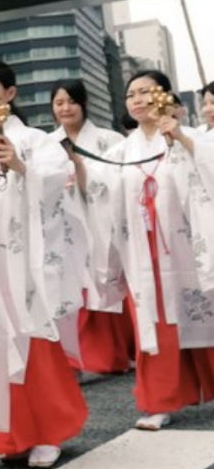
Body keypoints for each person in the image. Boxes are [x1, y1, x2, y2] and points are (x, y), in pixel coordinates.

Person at [0, 62, 87, 469]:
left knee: (33, 339)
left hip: (22, 260)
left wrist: (20, 167)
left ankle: (49, 431)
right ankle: (11, 435)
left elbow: (56, 186)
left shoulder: (36, 140)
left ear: (10, 93)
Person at [84, 70, 214, 430]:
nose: (137, 99)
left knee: (200, 314)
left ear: (165, 96)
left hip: (186, 246)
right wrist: (75, 169)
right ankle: (159, 400)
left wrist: (181, 140)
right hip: (141, 248)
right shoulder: (120, 152)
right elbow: (95, 190)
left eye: (146, 92)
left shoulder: (192, 138)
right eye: (131, 94)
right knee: (155, 325)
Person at [50, 78, 135, 375]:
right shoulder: (47, 144)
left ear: (83, 103)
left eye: (72, 101)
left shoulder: (110, 140)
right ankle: (81, 356)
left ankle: (117, 351)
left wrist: (83, 173)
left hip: (103, 223)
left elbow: (122, 180)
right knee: (75, 286)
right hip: (67, 225)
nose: (65, 108)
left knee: (107, 281)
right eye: (59, 103)